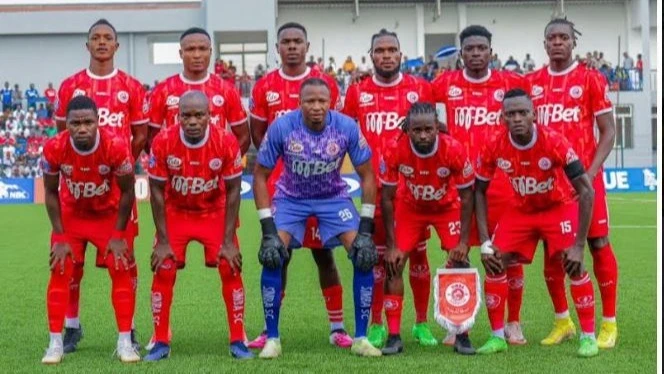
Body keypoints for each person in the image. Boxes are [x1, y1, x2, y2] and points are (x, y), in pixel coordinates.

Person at [253, 77, 381, 358]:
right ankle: (272, 337)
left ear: (331, 102)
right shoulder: (283, 126)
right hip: (290, 199)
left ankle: (360, 337)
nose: (316, 106)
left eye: (322, 101)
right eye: (310, 101)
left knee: (363, 254)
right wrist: (267, 228)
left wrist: (366, 227)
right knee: (273, 253)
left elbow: (368, 175)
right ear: (299, 103)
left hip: (333, 198)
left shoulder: (346, 126)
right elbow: (260, 175)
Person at [248, 22, 351, 349]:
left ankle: (337, 327)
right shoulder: (264, 86)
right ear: (277, 48)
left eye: (297, 42)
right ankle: (270, 330)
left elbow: (339, 130)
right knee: (279, 256)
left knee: (325, 256)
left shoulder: (326, 83)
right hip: (283, 189)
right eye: (285, 42)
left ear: (307, 46)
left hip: (323, 188)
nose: (292, 47)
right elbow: (257, 135)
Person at [474, 88, 598, 357]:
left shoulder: (554, 141)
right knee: (494, 259)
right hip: (521, 210)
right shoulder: (494, 144)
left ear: (534, 114)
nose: (516, 118)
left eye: (522, 112)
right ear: (502, 118)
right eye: (511, 114)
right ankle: (497, 336)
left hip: (557, 208)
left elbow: (587, 191)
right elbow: (479, 191)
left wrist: (579, 245)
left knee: (573, 264)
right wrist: (485, 242)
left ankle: (588, 336)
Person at [432, 25, 530, 346]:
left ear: (491, 51)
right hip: (459, 186)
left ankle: (512, 324)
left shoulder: (511, 84)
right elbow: (428, 119)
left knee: (506, 256)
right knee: (457, 255)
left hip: (501, 185)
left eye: (481, 48)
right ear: (461, 53)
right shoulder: (444, 85)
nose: (476, 53)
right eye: (470, 48)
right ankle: (457, 321)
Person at [53, 18, 147, 353]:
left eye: (108, 38)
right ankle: (71, 326)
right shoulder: (70, 87)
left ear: (117, 46)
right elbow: (62, 135)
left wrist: (117, 165)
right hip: (76, 190)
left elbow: (140, 135)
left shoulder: (132, 87)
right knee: (70, 263)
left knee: (124, 259)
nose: (102, 42)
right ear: (88, 44)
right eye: (96, 37)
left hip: (117, 192)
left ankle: (129, 330)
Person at [342, 28, 437, 350]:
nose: (386, 55)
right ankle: (379, 324)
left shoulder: (420, 88)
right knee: (379, 259)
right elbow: (345, 136)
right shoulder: (358, 92)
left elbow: (436, 133)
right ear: (371, 56)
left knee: (418, 257)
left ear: (400, 54)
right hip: (374, 190)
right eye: (379, 50)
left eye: (391, 50)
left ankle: (421, 323)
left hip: (413, 191)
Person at [528, 18, 618, 349]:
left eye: (563, 37)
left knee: (597, 244)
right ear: (544, 43)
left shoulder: (591, 79)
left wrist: (591, 174)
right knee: (553, 253)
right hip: (547, 185)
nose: (557, 42)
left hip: (583, 182)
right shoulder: (532, 82)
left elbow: (608, 131)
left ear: (573, 42)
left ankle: (608, 323)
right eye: (551, 37)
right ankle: (562, 321)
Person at [143, 91, 251, 361]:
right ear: (177, 117)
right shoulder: (163, 141)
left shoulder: (225, 141)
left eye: (198, 115)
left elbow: (234, 190)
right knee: (164, 267)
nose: (192, 121)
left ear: (209, 116)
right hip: (176, 212)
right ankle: (161, 340)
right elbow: (156, 191)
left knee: (229, 265)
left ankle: (238, 338)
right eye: (186, 116)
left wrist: (228, 241)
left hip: (213, 212)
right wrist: (163, 240)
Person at [40, 95, 138, 364]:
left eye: (88, 122)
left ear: (98, 122)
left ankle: (125, 342)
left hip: (108, 215)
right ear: (66, 124)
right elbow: (50, 192)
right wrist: (59, 236)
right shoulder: (54, 147)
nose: (82, 128)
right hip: (73, 215)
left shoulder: (116, 146)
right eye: (75, 123)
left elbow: (129, 192)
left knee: (121, 268)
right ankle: (55, 343)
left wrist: (119, 235)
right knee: (61, 268)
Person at [379, 103, 475, 355]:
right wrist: (390, 245)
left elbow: (467, 197)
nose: (423, 135)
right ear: (407, 129)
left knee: (461, 263)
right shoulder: (394, 149)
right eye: (417, 130)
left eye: (428, 129)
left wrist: (464, 242)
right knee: (394, 263)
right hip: (411, 208)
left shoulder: (453, 149)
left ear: (437, 128)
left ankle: (461, 333)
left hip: (446, 208)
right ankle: (394, 335)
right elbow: (387, 198)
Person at [146, 27, 249, 155]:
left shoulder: (227, 89)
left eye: (202, 49)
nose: (197, 55)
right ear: (180, 53)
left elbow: (243, 137)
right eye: (190, 49)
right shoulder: (163, 90)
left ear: (210, 51)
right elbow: (150, 139)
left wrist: (226, 164)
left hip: (215, 171)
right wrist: (166, 164)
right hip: (176, 171)